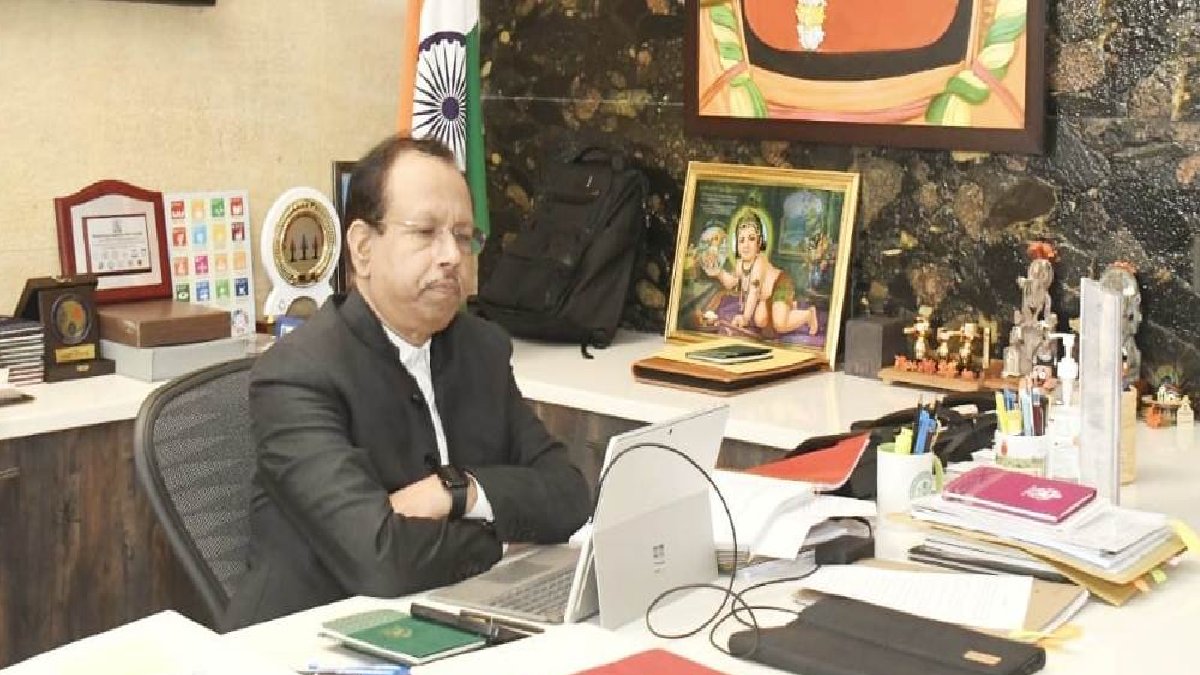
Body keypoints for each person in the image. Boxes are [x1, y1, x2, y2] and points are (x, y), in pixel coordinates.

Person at [223, 135, 592, 629]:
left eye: (464, 236)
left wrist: (459, 493)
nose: (452, 256)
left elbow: (569, 496)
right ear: (362, 248)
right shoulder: (296, 375)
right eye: (425, 232)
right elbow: (380, 557)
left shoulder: (481, 348)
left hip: (445, 618)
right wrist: (501, 536)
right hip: (310, 637)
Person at [705, 211, 819, 337]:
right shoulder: (739, 264)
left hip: (780, 285)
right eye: (741, 240)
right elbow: (732, 283)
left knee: (780, 325)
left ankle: (808, 314)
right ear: (737, 245)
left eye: (751, 239)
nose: (746, 245)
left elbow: (754, 291)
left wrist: (745, 318)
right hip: (765, 297)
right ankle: (787, 307)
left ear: (759, 243)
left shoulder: (759, 262)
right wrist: (718, 272)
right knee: (760, 321)